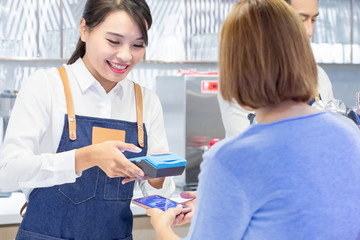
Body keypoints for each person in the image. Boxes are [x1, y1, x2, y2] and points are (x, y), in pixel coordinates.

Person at [146, 0, 360, 239]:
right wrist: (219, 201)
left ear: (235, 66)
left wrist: (161, 227)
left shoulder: (230, 160)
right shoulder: (349, 133)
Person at [0, 0, 175, 239]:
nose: (125, 55)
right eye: (113, 41)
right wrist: (86, 157)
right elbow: (7, 173)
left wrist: (157, 175)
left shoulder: (146, 101)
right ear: (84, 29)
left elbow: (159, 190)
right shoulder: (46, 86)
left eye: (138, 45)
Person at [217, 0, 334, 138]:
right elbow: (247, 145)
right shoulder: (244, 79)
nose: (309, 32)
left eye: (313, 20)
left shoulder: (320, 75)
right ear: (273, 21)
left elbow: (330, 131)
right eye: (301, 20)